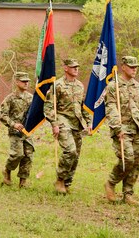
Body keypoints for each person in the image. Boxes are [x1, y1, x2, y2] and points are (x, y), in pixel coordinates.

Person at [104, 56, 139, 205]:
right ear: (123, 67)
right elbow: (110, 108)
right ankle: (111, 182)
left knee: (136, 162)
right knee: (127, 159)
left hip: (135, 128)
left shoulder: (137, 86)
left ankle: (128, 194)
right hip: (122, 128)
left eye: (136, 67)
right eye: (131, 66)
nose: (134, 69)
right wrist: (117, 128)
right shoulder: (113, 86)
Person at [44, 59, 92, 194]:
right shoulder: (57, 84)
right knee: (70, 151)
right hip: (62, 120)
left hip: (77, 122)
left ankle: (67, 183)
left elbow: (83, 106)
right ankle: (59, 179)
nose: (76, 69)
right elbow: (49, 106)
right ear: (65, 68)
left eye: (77, 67)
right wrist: (54, 123)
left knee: (76, 155)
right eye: (73, 67)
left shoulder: (79, 86)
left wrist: (88, 122)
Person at [0, 72, 34, 188]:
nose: (26, 83)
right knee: (17, 155)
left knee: (28, 155)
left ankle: (23, 181)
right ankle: (7, 170)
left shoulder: (31, 98)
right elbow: (3, 115)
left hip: (27, 132)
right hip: (15, 132)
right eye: (23, 81)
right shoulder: (10, 98)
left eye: (27, 81)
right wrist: (14, 124)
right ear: (17, 82)